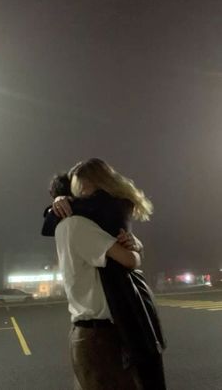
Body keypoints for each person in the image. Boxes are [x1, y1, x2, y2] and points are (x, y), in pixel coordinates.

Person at [44, 159, 167, 389]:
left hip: (93, 335)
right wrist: (135, 248)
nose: (88, 198)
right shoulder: (77, 225)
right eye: (80, 193)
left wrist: (135, 243)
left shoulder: (74, 224)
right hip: (98, 338)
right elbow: (129, 261)